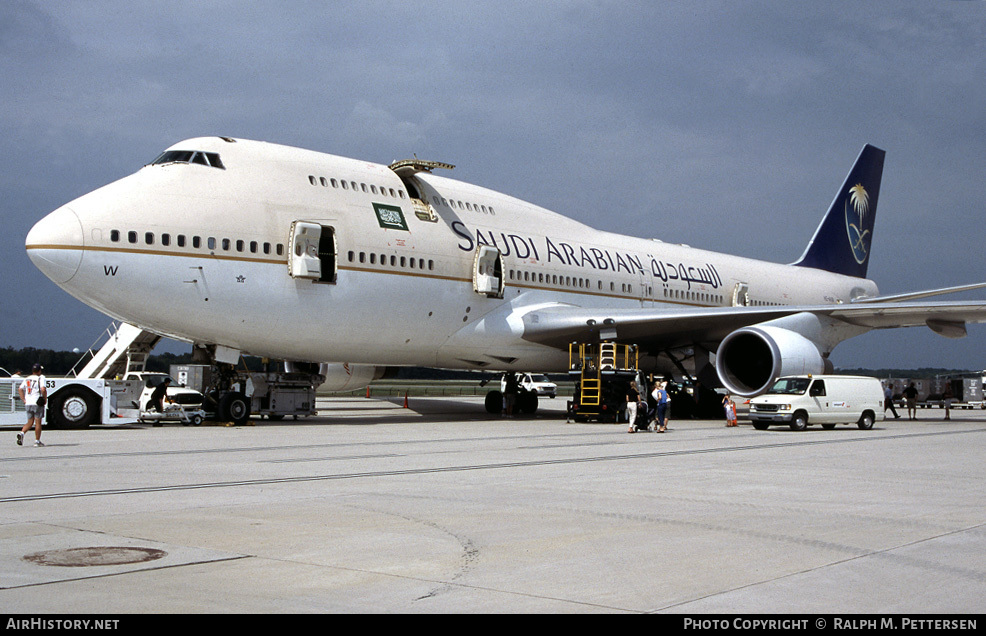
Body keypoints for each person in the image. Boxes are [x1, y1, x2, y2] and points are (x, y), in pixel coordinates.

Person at [16, 364, 47, 447]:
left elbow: (20, 389)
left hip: (28, 402)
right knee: (38, 422)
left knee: (30, 422)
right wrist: (45, 398)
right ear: (39, 371)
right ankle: (37, 441)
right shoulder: (41, 377)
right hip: (37, 402)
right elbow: (43, 389)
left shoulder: (27, 378)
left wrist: (24, 400)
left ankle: (22, 433)